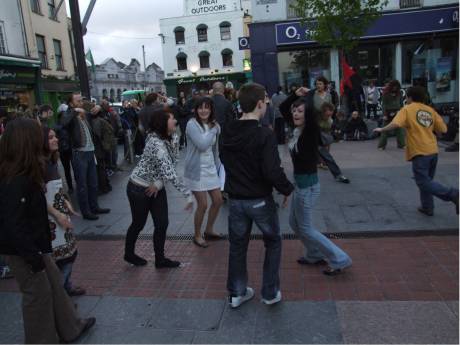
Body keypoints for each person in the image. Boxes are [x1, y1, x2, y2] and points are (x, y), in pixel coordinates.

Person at [0, 118, 95, 343]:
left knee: (54, 285)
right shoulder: (14, 179)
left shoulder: (25, 171)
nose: (43, 140)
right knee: (37, 296)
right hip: (25, 250)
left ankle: (71, 327)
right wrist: (33, 258)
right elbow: (14, 225)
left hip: (35, 246)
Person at [220, 83, 294, 308]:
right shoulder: (264, 134)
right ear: (260, 104)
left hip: (236, 199)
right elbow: (271, 170)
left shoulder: (227, 130)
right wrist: (286, 189)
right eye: (266, 102)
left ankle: (237, 293)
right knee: (272, 242)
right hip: (260, 199)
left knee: (237, 246)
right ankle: (270, 293)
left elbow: (224, 160)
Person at [280, 87, 352, 275]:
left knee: (306, 228)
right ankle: (313, 254)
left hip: (308, 188)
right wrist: (296, 95)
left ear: (308, 114)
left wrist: (310, 94)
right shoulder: (297, 129)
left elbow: (309, 113)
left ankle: (340, 259)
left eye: (300, 111)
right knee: (294, 224)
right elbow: (283, 108)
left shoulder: (310, 132)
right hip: (301, 186)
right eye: (294, 110)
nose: (295, 113)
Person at [374, 86, 459, 216]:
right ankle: (427, 207)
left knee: (423, 181)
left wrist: (382, 129)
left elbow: (396, 124)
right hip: (432, 150)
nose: (406, 99)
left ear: (410, 98)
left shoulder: (407, 109)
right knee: (427, 180)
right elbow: (443, 130)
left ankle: (453, 194)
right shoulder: (430, 110)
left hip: (419, 151)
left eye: (406, 97)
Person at [124, 109, 193, 268]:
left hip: (156, 187)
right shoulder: (155, 143)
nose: (175, 121)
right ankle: (129, 254)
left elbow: (174, 161)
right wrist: (187, 194)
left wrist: (158, 184)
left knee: (162, 223)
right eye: (172, 118)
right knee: (138, 224)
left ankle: (160, 260)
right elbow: (170, 172)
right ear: (163, 123)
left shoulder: (170, 137)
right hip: (138, 189)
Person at [43, 126, 86, 296]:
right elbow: (40, 197)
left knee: (69, 254)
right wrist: (58, 214)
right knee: (63, 257)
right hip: (52, 219)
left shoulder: (52, 160)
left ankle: (65, 287)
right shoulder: (40, 165)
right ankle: (60, 295)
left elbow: (58, 189)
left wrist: (67, 204)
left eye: (55, 136)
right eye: (50, 137)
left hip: (60, 215)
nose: (56, 139)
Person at [61, 93, 110, 220]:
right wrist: (74, 110)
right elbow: (64, 122)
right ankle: (86, 211)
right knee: (82, 185)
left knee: (93, 183)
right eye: (77, 101)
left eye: (80, 101)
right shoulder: (69, 114)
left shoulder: (85, 114)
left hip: (90, 152)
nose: (80, 103)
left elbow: (99, 113)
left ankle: (94, 207)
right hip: (79, 153)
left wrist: (99, 107)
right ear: (71, 104)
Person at [184, 97, 224, 248]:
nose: (203, 110)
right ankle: (197, 234)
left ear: (211, 109)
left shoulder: (213, 125)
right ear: (196, 110)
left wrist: (218, 167)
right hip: (196, 170)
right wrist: (214, 129)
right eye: (200, 108)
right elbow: (202, 145)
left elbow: (215, 149)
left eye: (207, 107)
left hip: (210, 168)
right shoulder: (191, 124)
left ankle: (209, 229)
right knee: (203, 204)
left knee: (218, 200)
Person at [90, 105, 114, 194]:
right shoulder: (101, 120)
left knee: (100, 169)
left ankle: (103, 187)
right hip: (102, 148)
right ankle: (105, 186)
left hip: (99, 148)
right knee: (101, 168)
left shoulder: (97, 122)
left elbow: (99, 135)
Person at [378, 80, 405, 150]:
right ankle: (381, 145)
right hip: (387, 112)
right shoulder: (385, 94)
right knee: (385, 130)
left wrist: (401, 111)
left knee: (400, 129)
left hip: (397, 112)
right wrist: (384, 115)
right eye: (393, 86)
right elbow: (383, 105)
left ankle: (401, 144)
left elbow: (401, 104)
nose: (395, 88)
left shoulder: (399, 93)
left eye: (396, 87)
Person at [55, 103, 74, 193]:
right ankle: (70, 187)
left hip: (70, 148)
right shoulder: (58, 125)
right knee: (67, 169)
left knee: (74, 168)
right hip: (64, 150)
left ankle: (73, 186)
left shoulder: (68, 123)